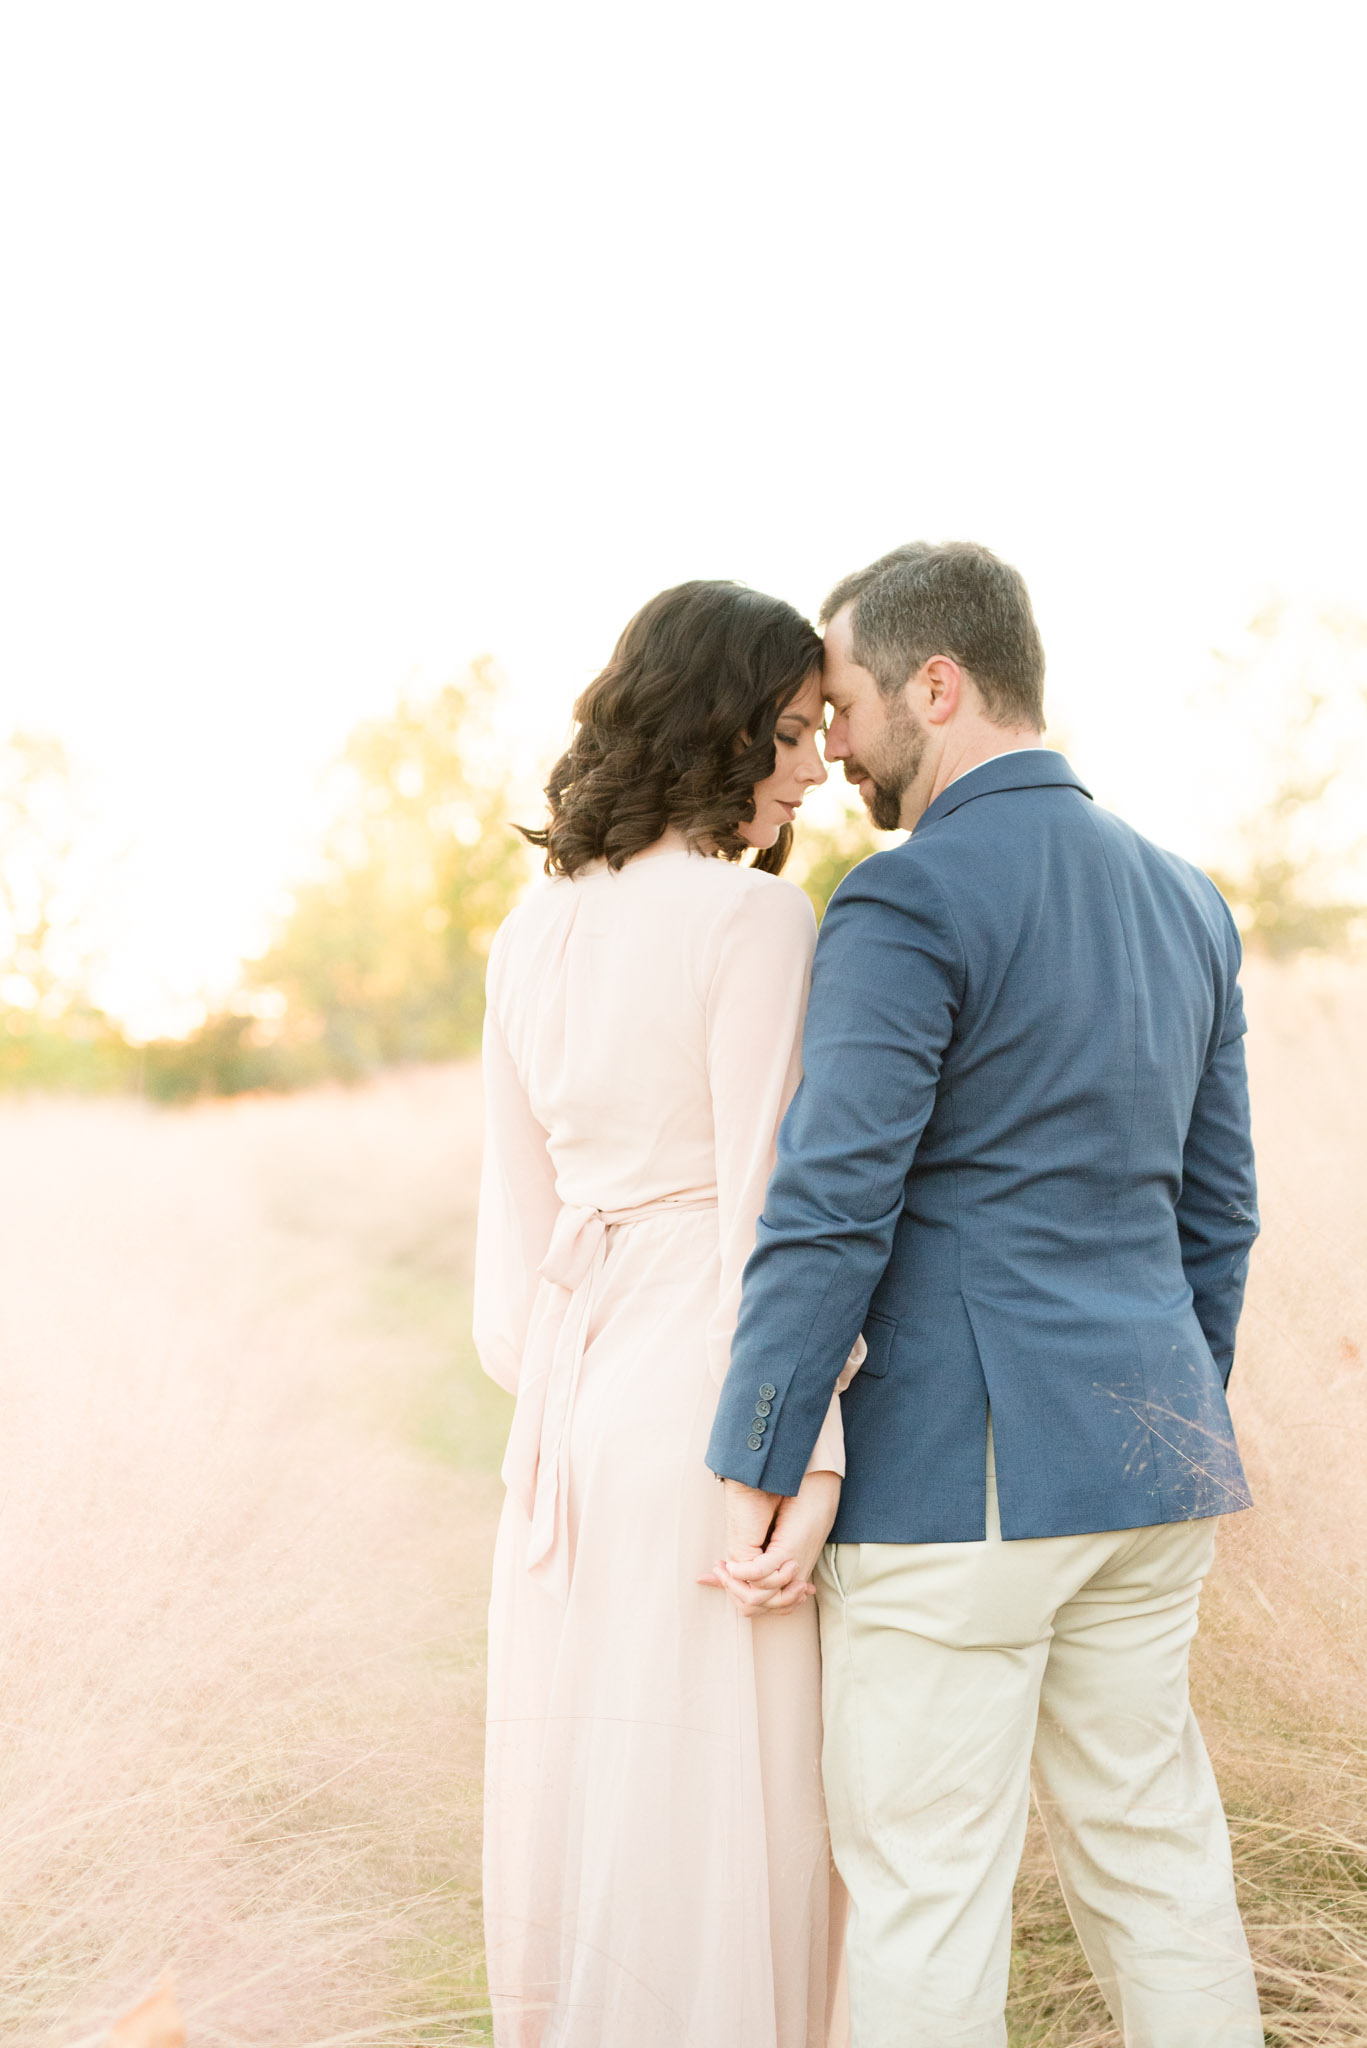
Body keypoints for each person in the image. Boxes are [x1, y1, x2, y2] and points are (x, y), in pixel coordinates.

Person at [707, 543, 1264, 2047]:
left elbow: (833, 1207)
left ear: (935, 685)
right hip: (1150, 1469)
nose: (834, 751)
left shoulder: (905, 901)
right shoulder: (1188, 901)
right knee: (1158, 1863)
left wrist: (759, 1455)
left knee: (926, 1890)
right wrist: (1161, 1404)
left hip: (965, 1481)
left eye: (847, 707)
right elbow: (1220, 1213)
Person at [473, 580, 855, 2048]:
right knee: (722, 1805)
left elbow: (513, 1247)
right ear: (725, 723)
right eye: (796, 728)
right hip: (712, 1386)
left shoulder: (528, 933)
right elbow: (779, 1213)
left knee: (592, 1787)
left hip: (570, 1409)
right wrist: (805, 1454)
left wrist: (557, 1394)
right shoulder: (755, 919)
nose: (817, 763)